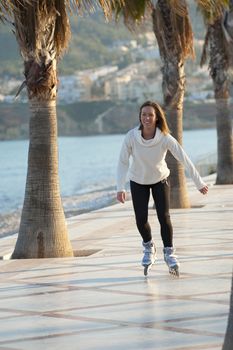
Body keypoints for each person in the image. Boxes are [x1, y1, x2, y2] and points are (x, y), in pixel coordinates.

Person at [116, 100, 208, 276]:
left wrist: (199, 183)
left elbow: (184, 158)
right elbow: (122, 162)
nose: (147, 118)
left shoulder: (164, 137)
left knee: (164, 216)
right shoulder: (131, 137)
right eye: (144, 114)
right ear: (140, 117)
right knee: (140, 218)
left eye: (150, 114)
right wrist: (120, 187)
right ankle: (149, 246)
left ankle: (169, 252)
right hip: (138, 181)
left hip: (160, 180)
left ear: (157, 117)